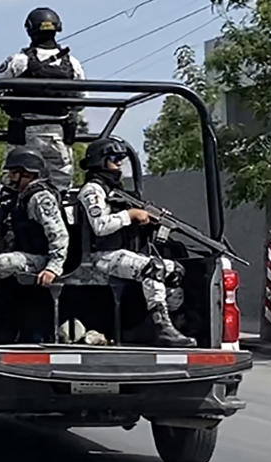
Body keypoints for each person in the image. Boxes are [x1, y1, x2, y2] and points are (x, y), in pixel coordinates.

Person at [76, 138, 195, 347]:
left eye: (122, 158)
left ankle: (161, 323)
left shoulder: (116, 191)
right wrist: (131, 215)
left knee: (175, 269)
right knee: (153, 267)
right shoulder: (93, 190)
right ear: (99, 161)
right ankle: (162, 328)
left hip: (120, 254)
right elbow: (101, 226)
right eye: (114, 158)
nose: (119, 163)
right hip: (100, 257)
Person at [0, 6, 86, 188]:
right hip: (59, 137)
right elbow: (81, 100)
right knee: (61, 190)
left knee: (13, 186)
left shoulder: (18, 61)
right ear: (57, 29)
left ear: (29, 30)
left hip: (24, 136)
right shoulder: (73, 64)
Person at [0, 147, 68, 314]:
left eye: (14, 173)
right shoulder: (18, 198)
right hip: (20, 252)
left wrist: (53, 267)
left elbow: (59, 235)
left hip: (39, 259)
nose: (10, 178)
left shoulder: (40, 198)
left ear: (28, 174)